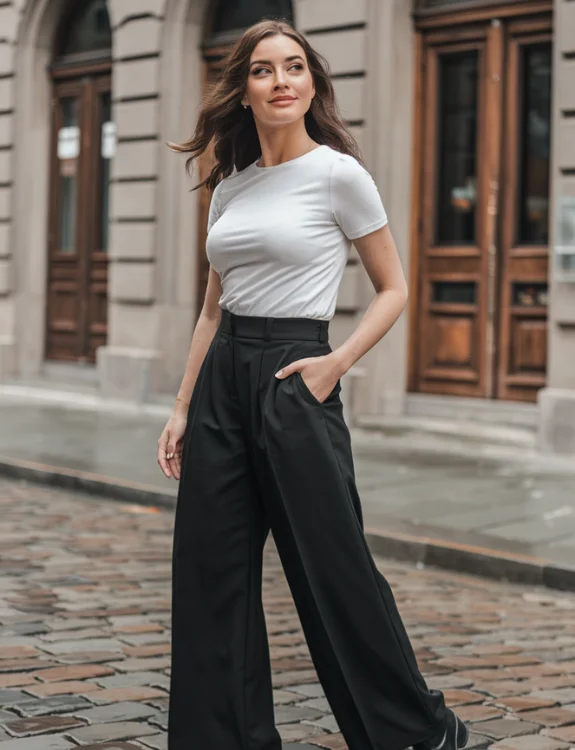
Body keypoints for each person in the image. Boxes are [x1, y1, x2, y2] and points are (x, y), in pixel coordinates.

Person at [158, 17, 469, 750]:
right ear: (243, 90)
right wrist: (180, 407)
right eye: (263, 70)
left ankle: (413, 734)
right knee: (209, 573)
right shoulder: (230, 186)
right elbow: (212, 307)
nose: (280, 81)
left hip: (296, 373)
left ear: (311, 84)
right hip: (222, 382)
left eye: (293, 67)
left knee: (333, 570)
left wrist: (335, 365)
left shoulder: (337, 173)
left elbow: (393, 287)